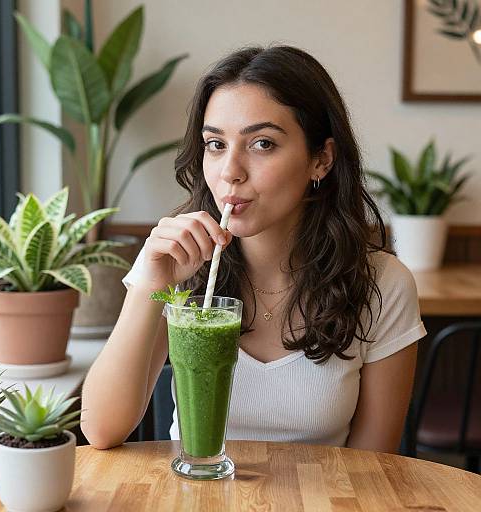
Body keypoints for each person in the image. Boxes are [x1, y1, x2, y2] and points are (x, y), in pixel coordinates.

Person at [81, 45, 427, 453]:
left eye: (262, 144)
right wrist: (149, 287)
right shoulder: (178, 268)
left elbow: (373, 468)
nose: (230, 172)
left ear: (321, 159)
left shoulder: (382, 285)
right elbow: (102, 430)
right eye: (215, 144)